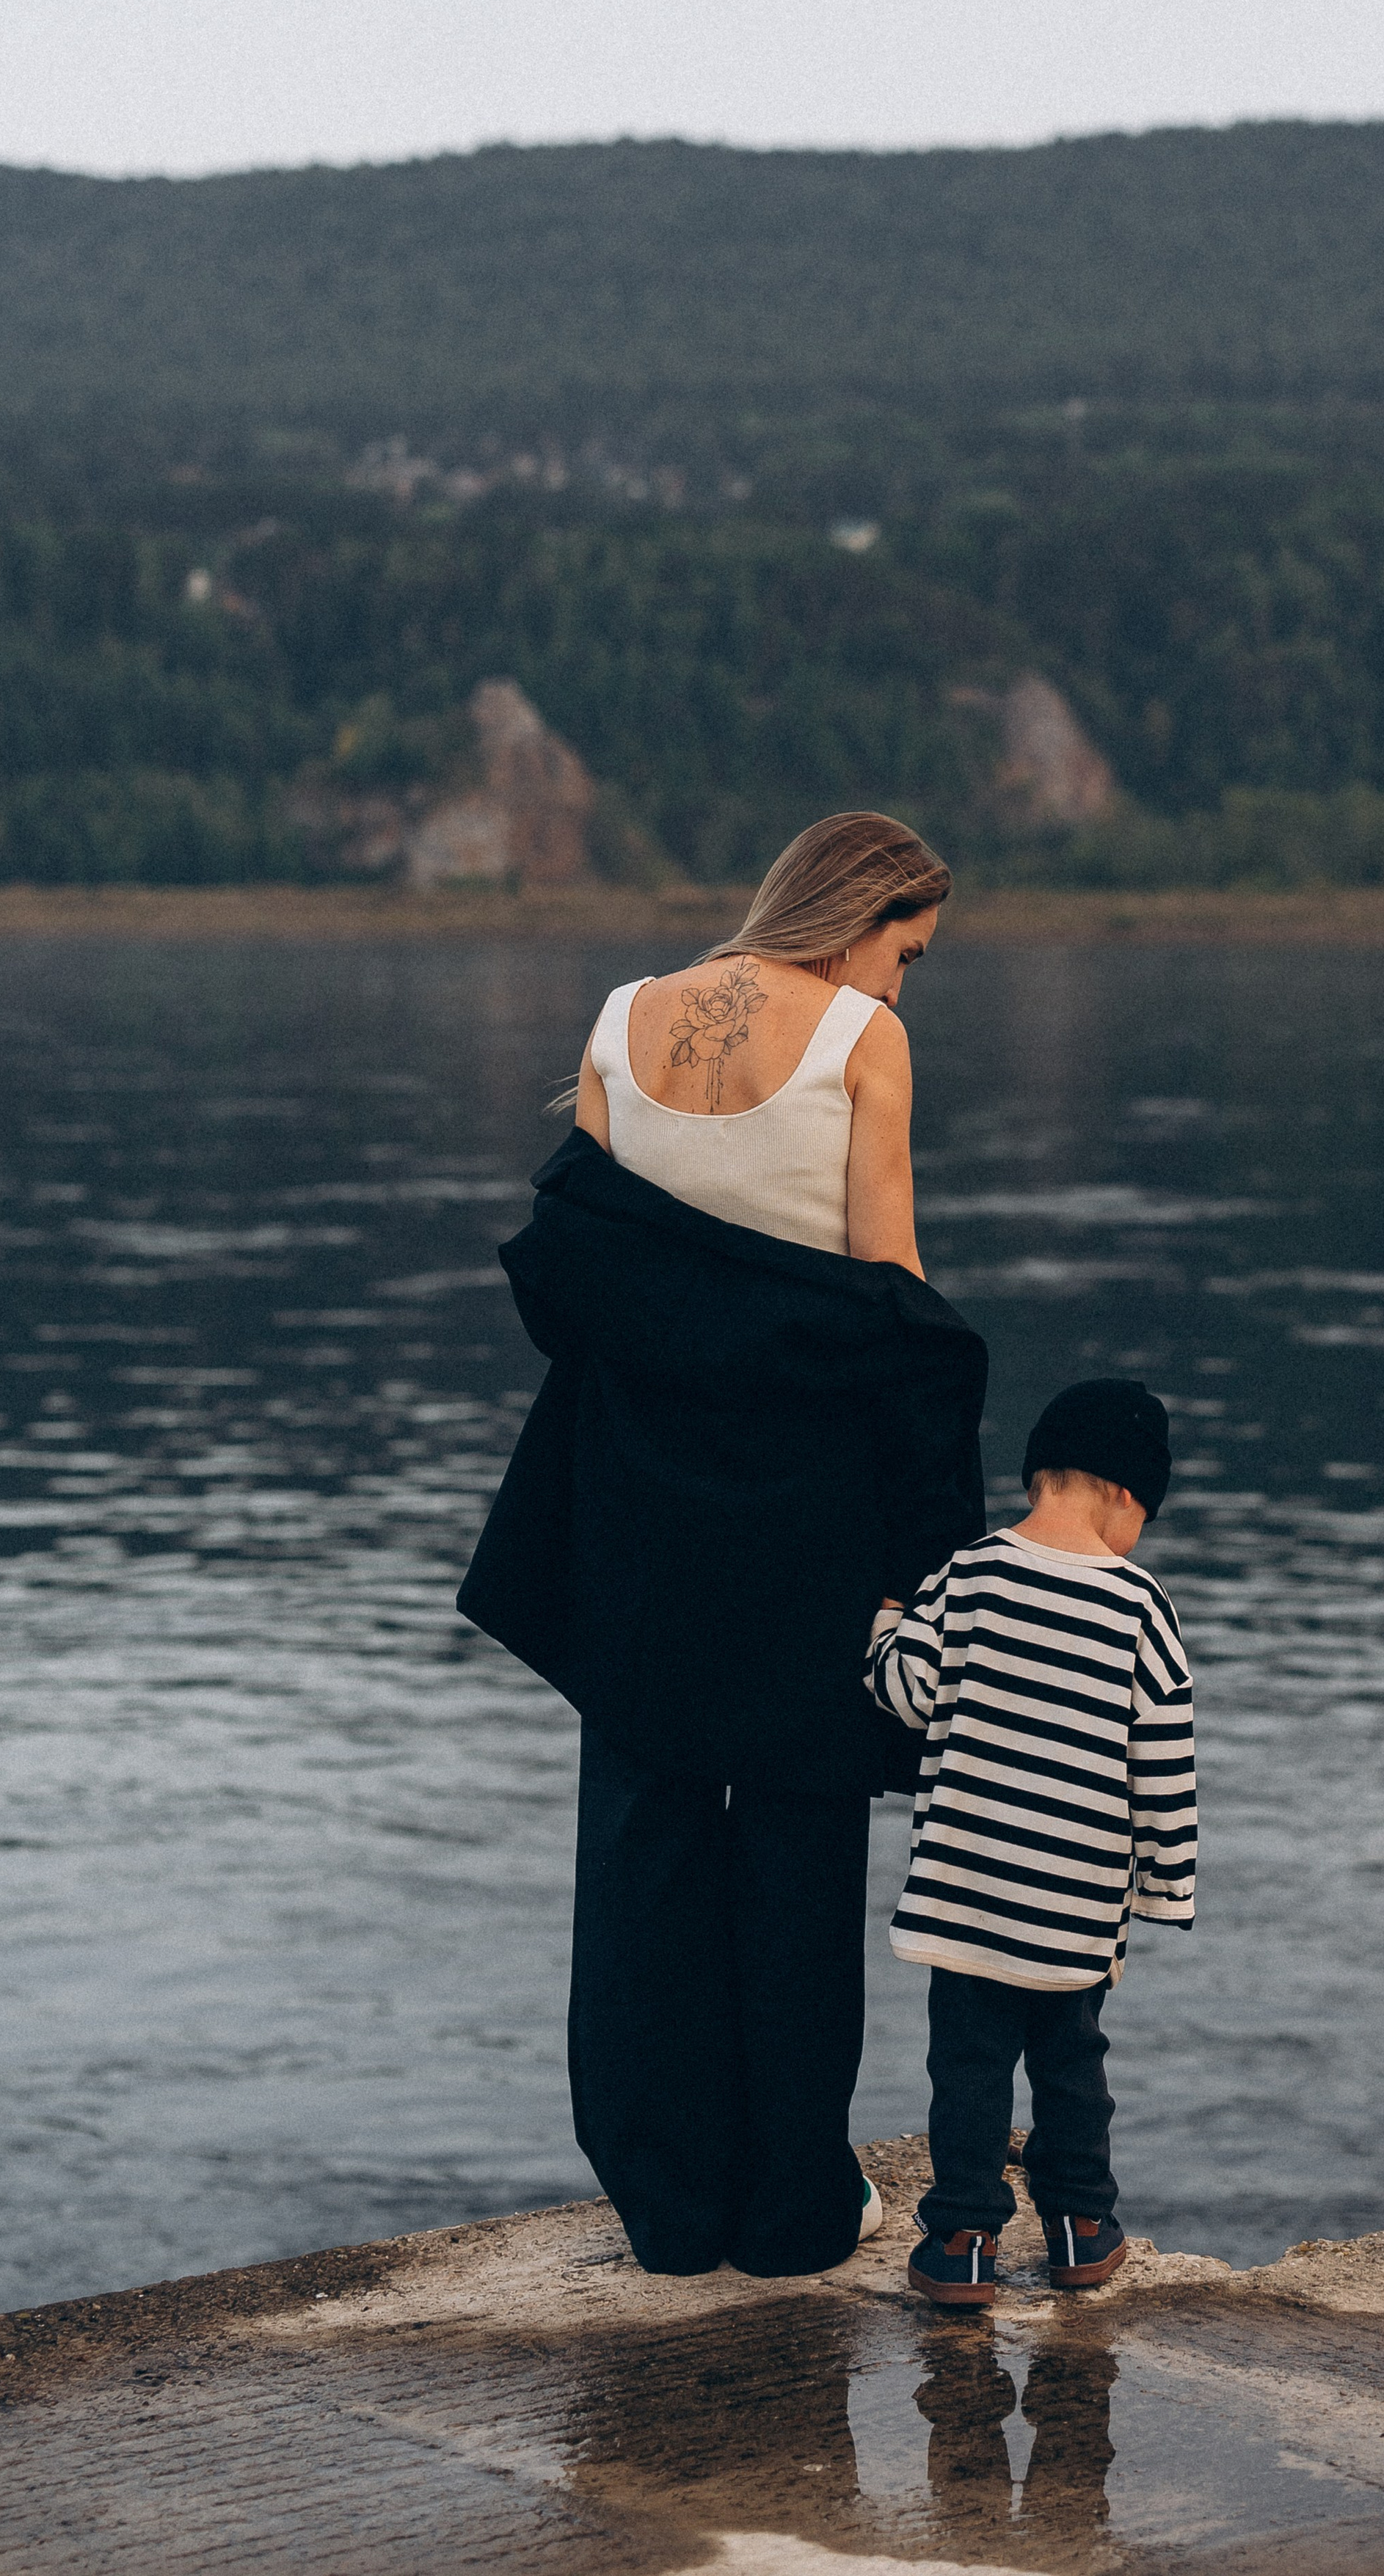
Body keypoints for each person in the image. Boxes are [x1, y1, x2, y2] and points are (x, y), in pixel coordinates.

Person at [458, 812, 988, 2280]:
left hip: (635, 1501)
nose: (901, 983)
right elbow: (892, 1296)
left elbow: (595, 1283)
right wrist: (933, 1551)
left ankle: (667, 2203)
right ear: (861, 916)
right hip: (802, 1504)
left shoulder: (620, 1019)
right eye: (907, 952)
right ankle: (789, 2208)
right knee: (798, 1848)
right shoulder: (863, 1043)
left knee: (644, 1842)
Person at [865, 1377, 1195, 2304]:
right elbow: (1163, 1763)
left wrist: (886, 1621)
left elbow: (907, 1693)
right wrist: (1165, 1885)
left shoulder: (967, 1574)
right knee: (1071, 2064)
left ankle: (961, 2241)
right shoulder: (1140, 1606)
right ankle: (1080, 2228)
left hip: (966, 1895)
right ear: (1124, 1491)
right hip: (1074, 1905)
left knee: (967, 2070)